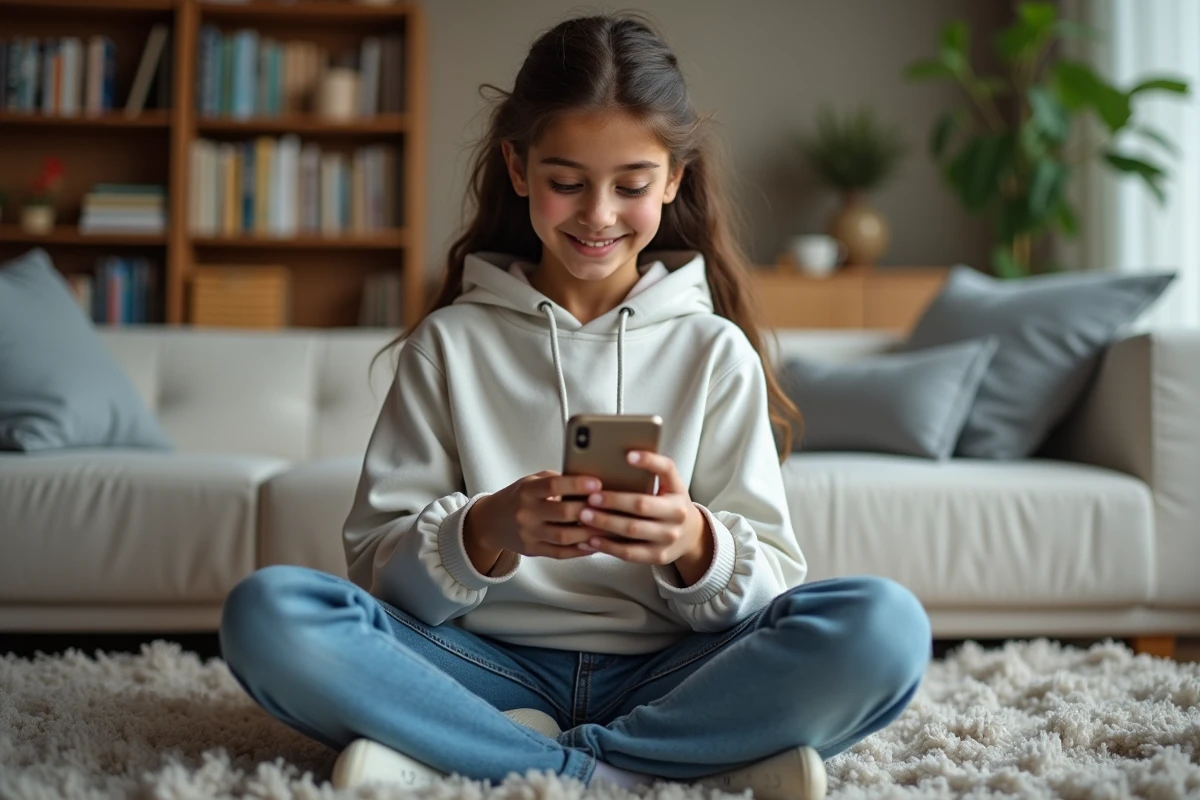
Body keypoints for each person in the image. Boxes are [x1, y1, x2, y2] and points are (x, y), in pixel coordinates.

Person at [219, 13, 931, 800]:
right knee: (270, 612)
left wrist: (694, 542)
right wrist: (485, 530)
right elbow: (380, 574)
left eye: (631, 185)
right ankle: (640, 767)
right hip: (483, 665)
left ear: (673, 180)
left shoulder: (715, 351)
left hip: (673, 671)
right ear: (518, 169)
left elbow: (772, 584)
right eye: (567, 183)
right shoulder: (449, 344)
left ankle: (481, 754)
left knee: (885, 626)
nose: (598, 214)